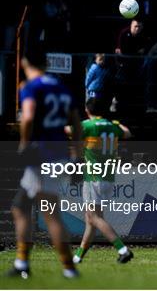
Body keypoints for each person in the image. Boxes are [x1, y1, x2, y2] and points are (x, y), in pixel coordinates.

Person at [7, 43, 82, 279]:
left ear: (24, 62)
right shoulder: (61, 86)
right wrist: (76, 157)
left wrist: (23, 144)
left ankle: (69, 269)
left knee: (50, 213)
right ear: (47, 63)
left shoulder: (30, 87)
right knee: (20, 206)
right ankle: (22, 263)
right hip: (58, 154)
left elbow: (28, 116)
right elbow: (77, 124)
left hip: (42, 156)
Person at [69, 98, 133, 264]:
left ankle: (122, 249)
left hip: (93, 177)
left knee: (93, 217)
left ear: (87, 110)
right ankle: (78, 257)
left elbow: (69, 130)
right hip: (108, 178)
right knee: (92, 219)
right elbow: (127, 133)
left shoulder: (88, 125)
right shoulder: (112, 126)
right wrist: (116, 123)